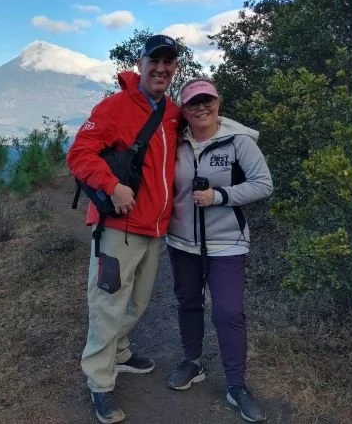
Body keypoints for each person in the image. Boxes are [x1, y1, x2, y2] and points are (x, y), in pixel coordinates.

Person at [66, 34, 181, 424]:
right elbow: (79, 153)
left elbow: (206, 125)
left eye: (168, 62)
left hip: (153, 228)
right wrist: (112, 186)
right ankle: (100, 383)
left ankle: (119, 352)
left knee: (138, 301)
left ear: (175, 68)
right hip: (118, 226)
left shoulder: (171, 112)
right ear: (140, 62)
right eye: (155, 61)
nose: (161, 69)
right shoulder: (114, 107)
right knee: (107, 304)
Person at [165, 77, 273, 423]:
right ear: (183, 109)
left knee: (228, 312)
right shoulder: (174, 142)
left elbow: (263, 184)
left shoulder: (239, 142)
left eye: (207, 100)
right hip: (181, 241)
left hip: (227, 242)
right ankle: (192, 362)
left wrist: (220, 197)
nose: (201, 108)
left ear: (218, 102)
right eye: (193, 103)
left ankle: (236, 386)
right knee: (188, 302)